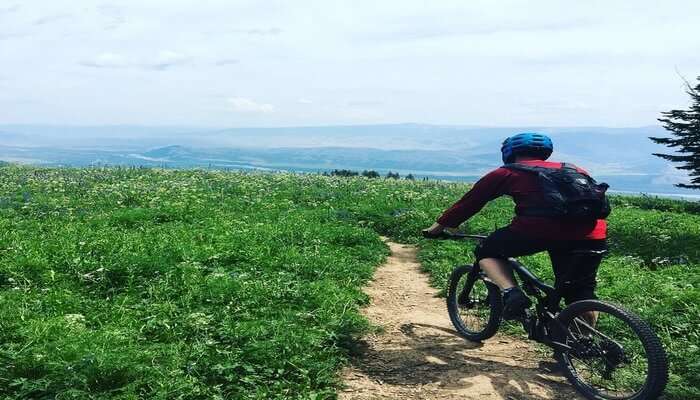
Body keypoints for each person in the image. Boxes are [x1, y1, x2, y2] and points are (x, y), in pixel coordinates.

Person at [423, 133, 608, 321]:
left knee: (487, 251)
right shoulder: (574, 169)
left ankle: (512, 293)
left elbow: (469, 203)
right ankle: (585, 344)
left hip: (538, 231)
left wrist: (437, 228)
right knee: (580, 292)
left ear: (509, 152)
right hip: (592, 234)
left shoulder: (507, 172)